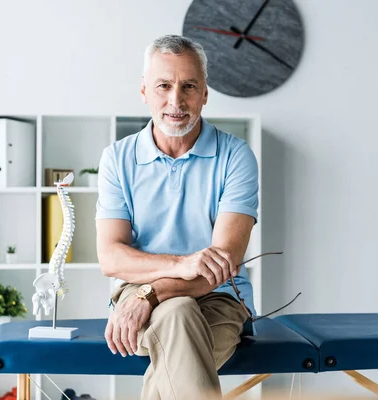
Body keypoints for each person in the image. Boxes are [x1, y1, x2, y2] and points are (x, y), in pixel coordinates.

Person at [95, 34, 260, 400]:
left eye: (188, 86)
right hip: (134, 295)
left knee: (178, 318)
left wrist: (151, 295)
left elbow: (224, 263)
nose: (176, 101)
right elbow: (110, 257)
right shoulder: (117, 159)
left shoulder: (236, 156)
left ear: (205, 93)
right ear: (144, 92)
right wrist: (182, 265)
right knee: (181, 316)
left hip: (218, 298)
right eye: (164, 86)